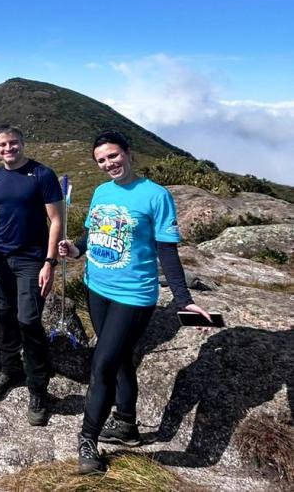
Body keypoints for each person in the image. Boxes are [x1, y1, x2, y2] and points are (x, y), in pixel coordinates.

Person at [57, 130, 211, 474]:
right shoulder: (100, 192)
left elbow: (167, 252)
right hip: (97, 288)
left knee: (102, 365)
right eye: (101, 160)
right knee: (120, 357)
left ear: (128, 152)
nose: (109, 163)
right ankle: (126, 425)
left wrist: (183, 299)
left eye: (113, 155)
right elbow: (90, 233)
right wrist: (76, 249)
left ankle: (87, 440)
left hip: (134, 296)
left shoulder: (155, 196)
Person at [0, 125, 63, 426]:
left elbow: (55, 220)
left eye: (13, 143)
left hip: (32, 260)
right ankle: (9, 369)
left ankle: (38, 389)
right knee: (4, 316)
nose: (8, 149)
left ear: (22, 143)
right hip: (1, 259)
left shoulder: (42, 175)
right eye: (2, 145)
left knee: (29, 321)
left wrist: (49, 262)